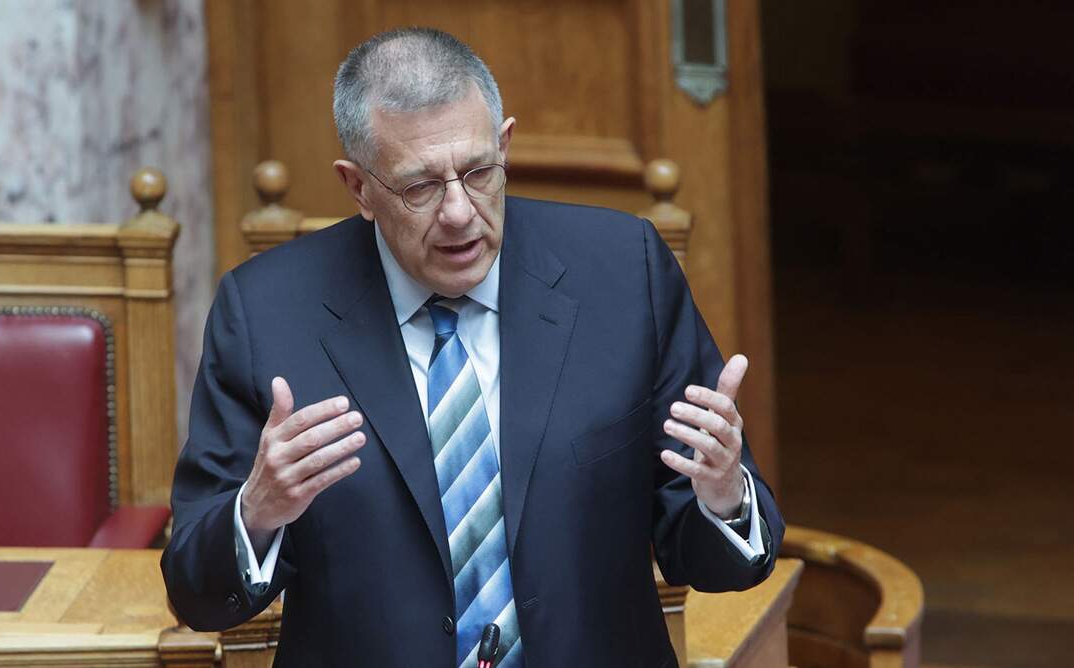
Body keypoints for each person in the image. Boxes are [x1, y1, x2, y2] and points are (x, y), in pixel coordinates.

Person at [162, 27, 783, 667]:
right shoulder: (265, 314)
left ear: (505, 146)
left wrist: (724, 499)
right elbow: (196, 594)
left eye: (479, 172)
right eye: (420, 187)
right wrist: (257, 513)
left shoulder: (626, 273)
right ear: (358, 188)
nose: (459, 212)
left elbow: (715, 560)